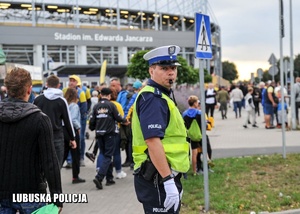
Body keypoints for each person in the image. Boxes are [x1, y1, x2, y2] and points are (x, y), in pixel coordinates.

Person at [132, 45, 190, 213]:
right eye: (164, 68)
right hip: (157, 177)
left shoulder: (161, 95)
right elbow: (152, 140)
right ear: (152, 71)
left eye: (173, 68)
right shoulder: (153, 98)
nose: (170, 72)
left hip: (163, 175)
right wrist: (168, 181)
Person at [0, 67, 63, 213]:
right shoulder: (39, 119)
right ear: (29, 90)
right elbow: (50, 162)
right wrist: (57, 197)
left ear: (7, 89)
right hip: (31, 192)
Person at [89, 88, 128, 190]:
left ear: (101, 95)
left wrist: (92, 128)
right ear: (109, 95)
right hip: (110, 134)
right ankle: (99, 177)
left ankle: (109, 178)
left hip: (99, 134)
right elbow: (119, 117)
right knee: (108, 156)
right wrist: (125, 121)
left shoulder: (96, 106)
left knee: (103, 153)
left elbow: (92, 121)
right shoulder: (111, 105)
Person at [34, 75, 76, 168]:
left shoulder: (38, 99)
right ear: (58, 85)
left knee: (41, 163)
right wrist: (72, 138)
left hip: (41, 134)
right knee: (57, 165)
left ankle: (43, 181)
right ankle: (54, 181)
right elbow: (67, 120)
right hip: (57, 135)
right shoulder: (61, 100)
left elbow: (32, 118)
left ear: (46, 84)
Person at [63, 88, 86, 184]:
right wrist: (78, 127)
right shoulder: (75, 106)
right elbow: (73, 119)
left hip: (64, 131)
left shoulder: (64, 104)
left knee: (63, 154)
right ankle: (75, 177)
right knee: (75, 155)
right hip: (73, 131)